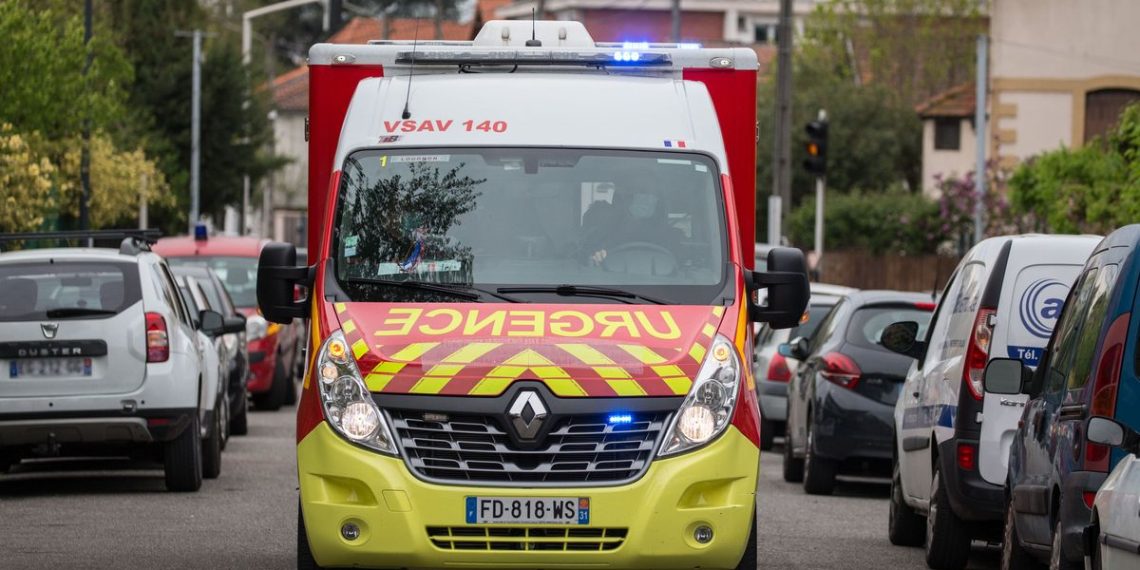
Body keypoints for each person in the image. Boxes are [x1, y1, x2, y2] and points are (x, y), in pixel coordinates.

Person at [580, 182, 682, 267]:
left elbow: (685, 265)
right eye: (640, 193)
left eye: (650, 195)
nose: (645, 200)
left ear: (658, 202)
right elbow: (583, 259)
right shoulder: (604, 237)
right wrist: (594, 258)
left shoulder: (671, 236)